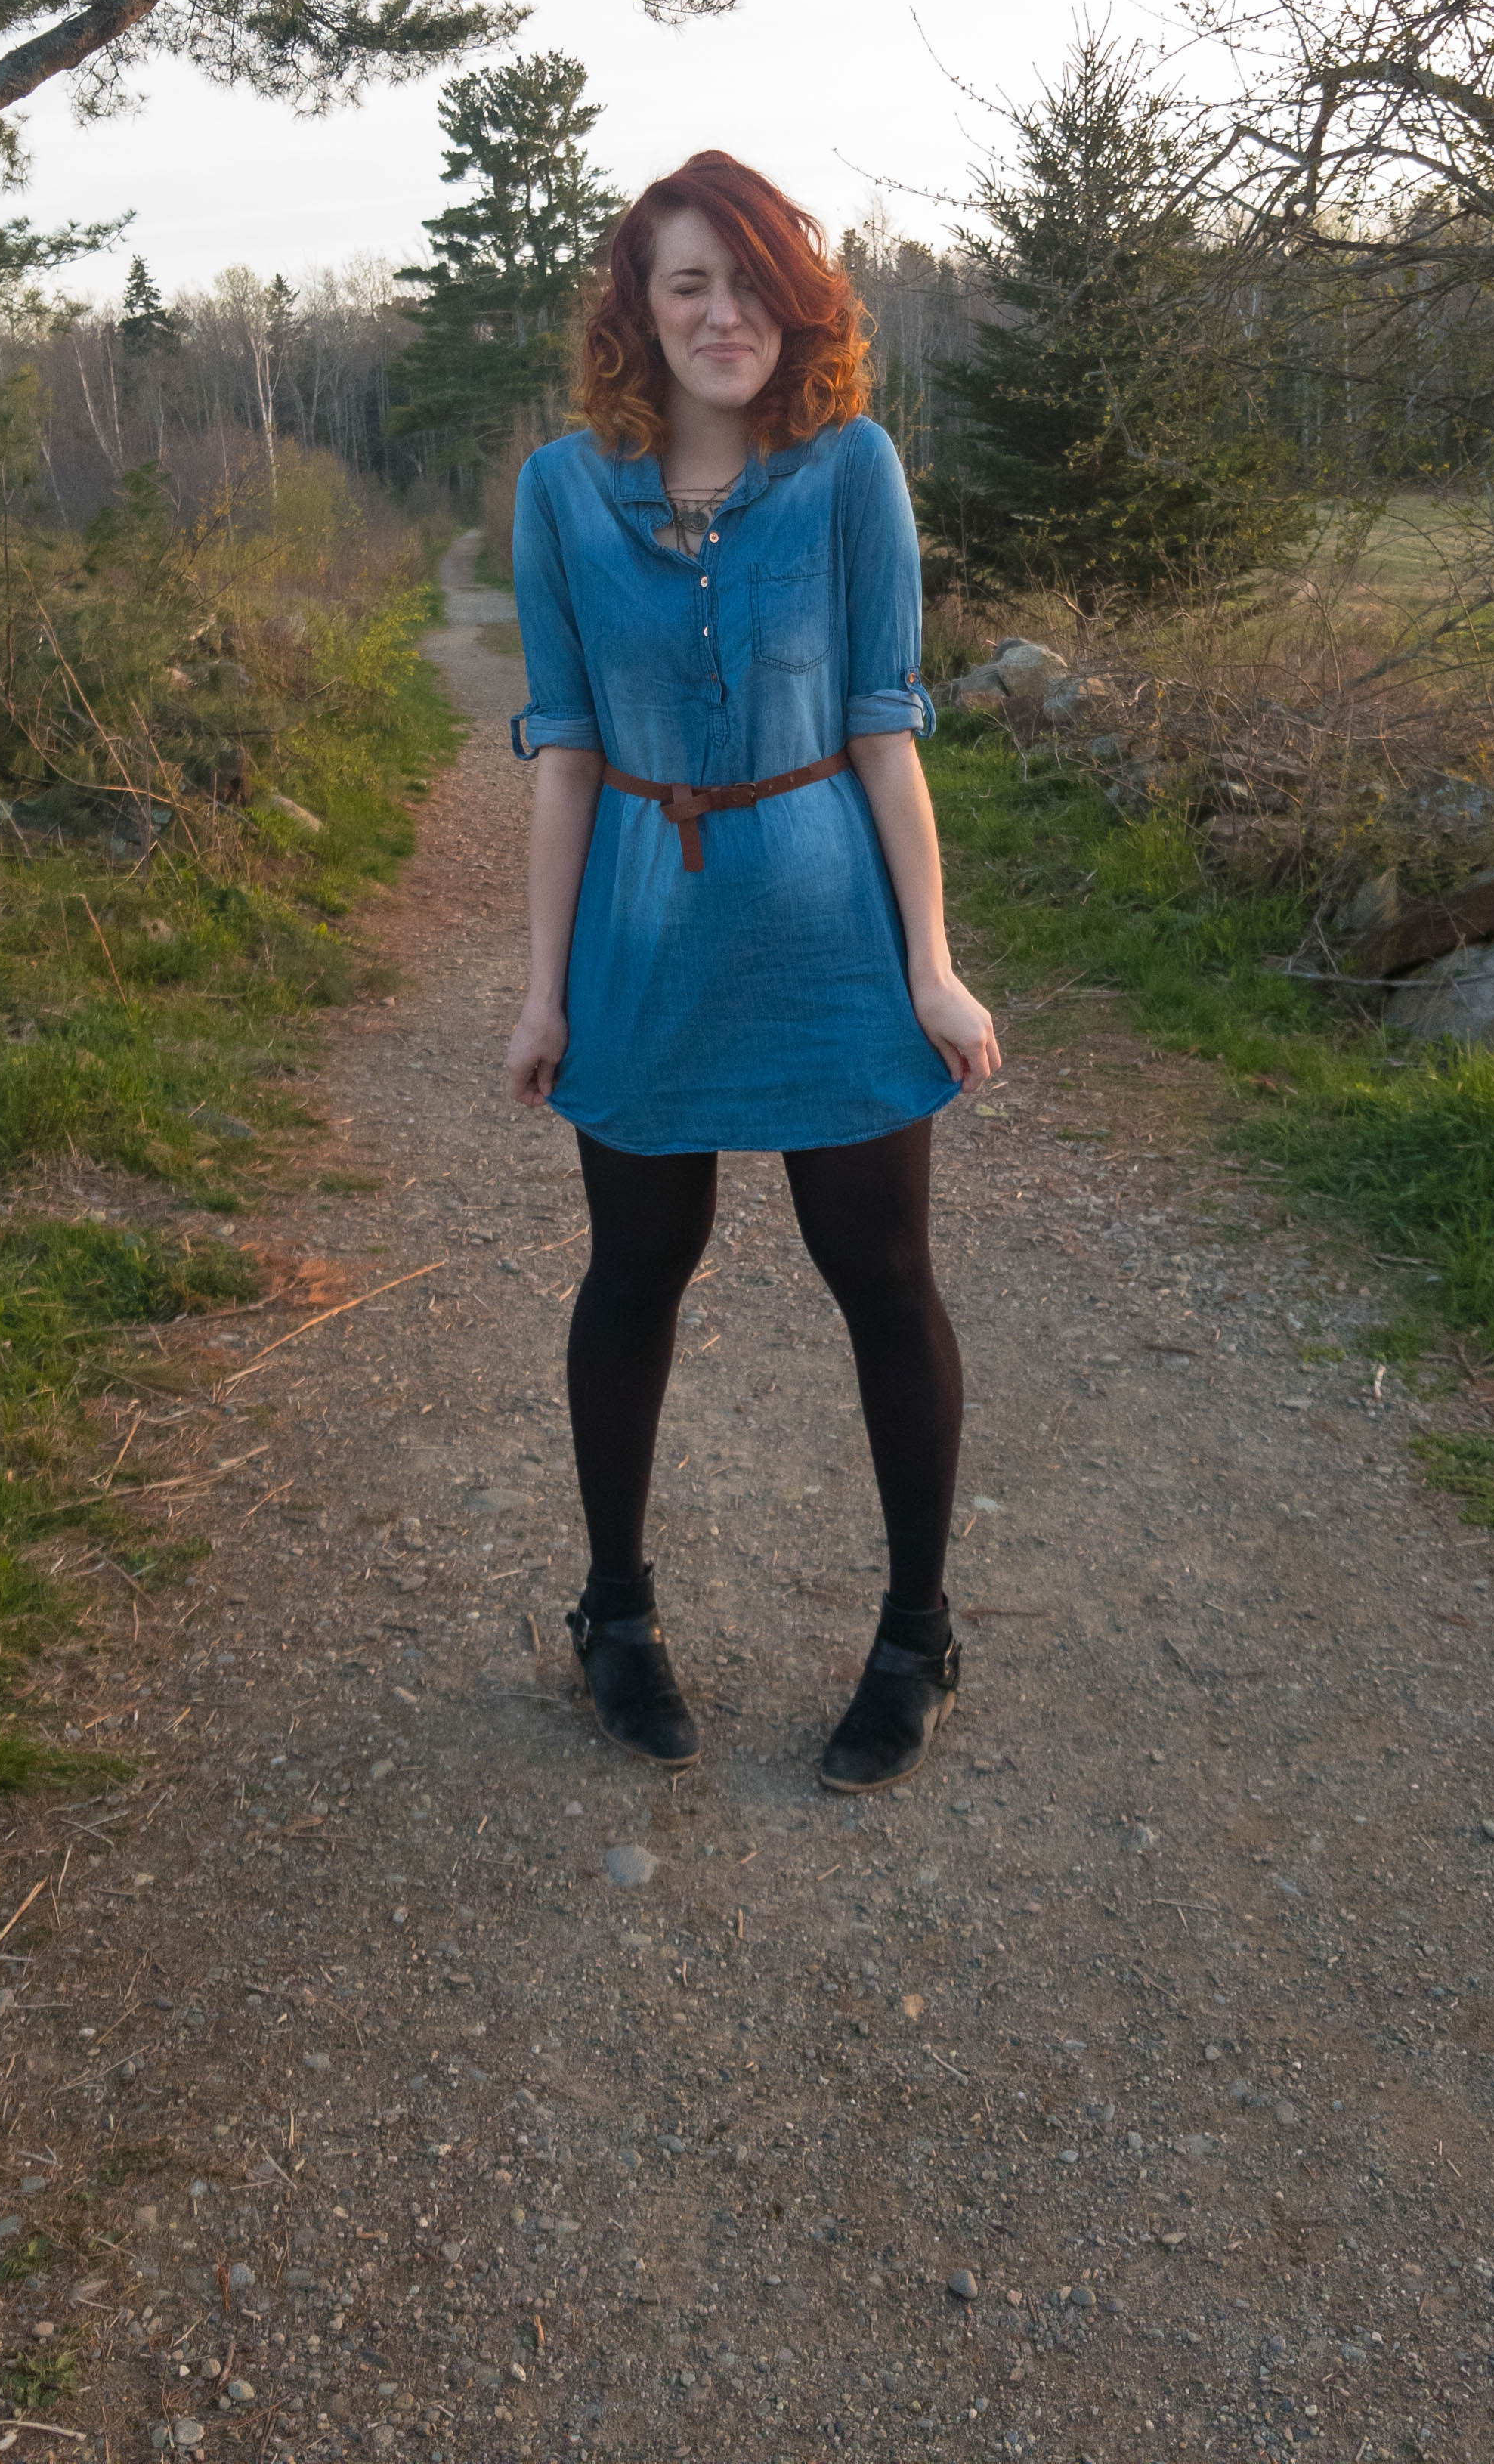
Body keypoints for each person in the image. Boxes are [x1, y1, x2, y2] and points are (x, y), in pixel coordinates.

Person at [504, 150, 999, 1794]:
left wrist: (932, 968)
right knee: (636, 1266)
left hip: (832, 940)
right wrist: (544, 992)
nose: (727, 314)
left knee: (883, 1275)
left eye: (756, 280)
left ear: (801, 301)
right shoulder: (561, 493)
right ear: (638, 312)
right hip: (644, 938)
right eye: (689, 283)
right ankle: (616, 1616)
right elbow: (567, 757)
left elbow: (885, 731)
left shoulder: (851, 468)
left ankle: (917, 1634)